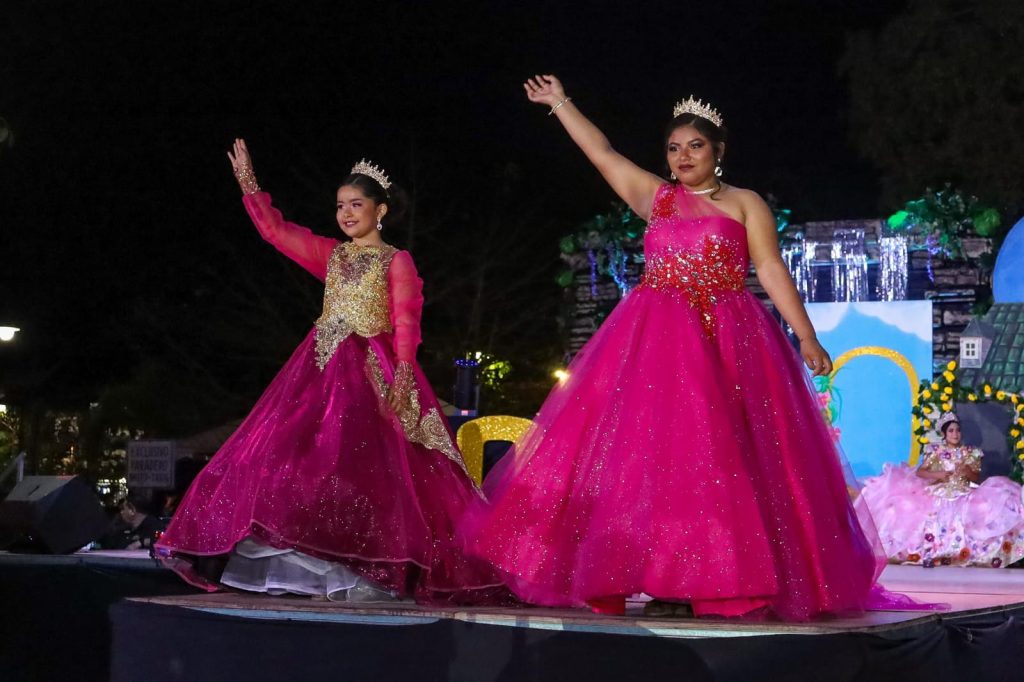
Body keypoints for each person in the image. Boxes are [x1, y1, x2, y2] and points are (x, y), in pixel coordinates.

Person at [461, 75, 883, 621]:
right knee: (650, 462)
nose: (683, 156)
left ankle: (711, 580)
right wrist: (560, 103)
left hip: (729, 341)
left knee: (721, 463)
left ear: (719, 151)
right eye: (674, 148)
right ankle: (651, 574)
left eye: (695, 145)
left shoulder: (746, 204)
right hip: (655, 344)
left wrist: (805, 334)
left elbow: (769, 267)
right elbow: (602, 152)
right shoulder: (657, 199)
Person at [155, 140, 506, 604]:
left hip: (371, 370)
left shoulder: (396, 259)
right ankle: (319, 563)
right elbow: (276, 231)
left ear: (381, 210)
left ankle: (374, 570)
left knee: (371, 468)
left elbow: (406, 317)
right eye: (340, 205)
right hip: (321, 367)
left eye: (356, 204)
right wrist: (249, 184)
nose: (346, 213)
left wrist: (403, 371)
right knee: (294, 457)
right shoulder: (334, 255)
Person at [861, 412, 1024, 567]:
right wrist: (937, 474)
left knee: (983, 512)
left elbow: (975, 477)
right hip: (940, 492)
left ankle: (965, 553)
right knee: (929, 516)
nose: (955, 434)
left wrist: (967, 471)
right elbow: (921, 472)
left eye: (958, 430)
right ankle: (934, 551)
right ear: (944, 434)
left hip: (963, 493)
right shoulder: (936, 451)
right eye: (951, 431)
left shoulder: (970, 453)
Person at [101, 493, 166, 550]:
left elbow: (164, 540)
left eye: (123, 509)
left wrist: (140, 543)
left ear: (132, 510)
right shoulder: (123, 531)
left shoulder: (155, 527)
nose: (121, 512)